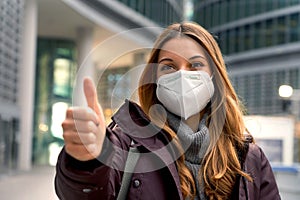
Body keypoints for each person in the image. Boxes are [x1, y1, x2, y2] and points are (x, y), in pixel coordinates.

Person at [55, 22, 281, 200]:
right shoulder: (126, 146)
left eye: (195, 65)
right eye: (169, 66)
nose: (182, 75)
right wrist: (87, 160)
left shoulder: (248, 158)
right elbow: (85, 194)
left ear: (214, 76)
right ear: (154, 79)